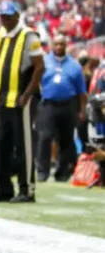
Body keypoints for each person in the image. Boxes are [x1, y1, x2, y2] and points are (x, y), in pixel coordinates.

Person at [0, 1, 44, 204]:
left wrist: (27, 95)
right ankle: (3, 187)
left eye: (8, 16)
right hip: (1, 98)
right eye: (2, 16)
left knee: (22, 145)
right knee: (1, 144)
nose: (5, 20)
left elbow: (39, 67)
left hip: (20, 100)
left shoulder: (29, 36)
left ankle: (27, 189)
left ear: (17, 16)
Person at [36, 35, 86, 182]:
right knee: (45, 136)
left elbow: (81, 92)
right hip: (48, 104)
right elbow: (35, 82)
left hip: (68, 105)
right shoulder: (44, 62)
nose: (59, 47)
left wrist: (81, 110)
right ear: (52, 45)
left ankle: (62, 172)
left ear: (66, 45)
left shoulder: (75, 66)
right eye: (56, 44)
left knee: (66, 138)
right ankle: (42, 171)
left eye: (62, 44)